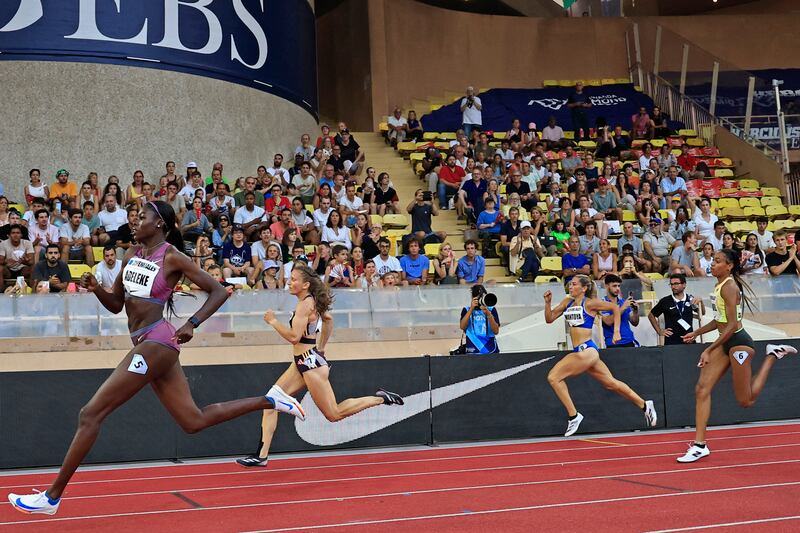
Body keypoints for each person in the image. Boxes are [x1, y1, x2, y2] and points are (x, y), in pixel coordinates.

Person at [7, 201, 300, 515]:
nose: (135, 220)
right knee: (193, 421)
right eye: (134, 215)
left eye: (142, 217)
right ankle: (270, 400)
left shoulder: (173, 256)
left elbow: (217, 290)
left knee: (90, 414)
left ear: (159, 223)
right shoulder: (131, 254)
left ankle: (51, 497)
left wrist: (192, 324)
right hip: (149, 343)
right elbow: (117, 304)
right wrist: (96, 289)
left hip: (156, 341)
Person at [236, 264, 404, 467]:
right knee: (270, 402)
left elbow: (293, 336)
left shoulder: (305, 305)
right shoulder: (310, 302)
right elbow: (329, 320)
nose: (289, 281)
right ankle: (261, 455)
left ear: (306, 284)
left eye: (294, 279)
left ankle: (380, 399)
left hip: (310, 364)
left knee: (334, 414)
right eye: (290, 278)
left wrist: (273, 321)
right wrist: (321, 349)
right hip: (305, 360)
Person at [677, 249, 798, 463]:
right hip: (726, 342)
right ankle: (699, 445)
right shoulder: (719, 285)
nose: (712, 264)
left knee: (745, 401)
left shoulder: (730, 286)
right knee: (701, 389)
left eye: (717, 261)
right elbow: (720, 320)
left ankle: (772, 355)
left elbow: (732, 326)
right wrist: (697, 332)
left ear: (729, 265)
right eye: (713, 260)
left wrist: (708, 348)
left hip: (739, 343)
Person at [544, 275, 658, 437]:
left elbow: (614, 309)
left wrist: (617, 331)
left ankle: (574, 416)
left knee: (554, 377)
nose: (571, 286)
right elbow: (549, 319)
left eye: (574, 284)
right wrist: (547, 303)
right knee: (611, 384)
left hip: (587, 350)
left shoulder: (590, 303)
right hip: (580, 351)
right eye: (570, 284)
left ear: (584, 288)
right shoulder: (567, 302)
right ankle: (645, 405)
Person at [648, 273, 704, 345]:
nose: (673, 287)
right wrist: (659, 331)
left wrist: (701, 302)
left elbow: (702, 312)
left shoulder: (690, 299)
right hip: (671, 342)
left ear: (684, 285)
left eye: (676, 284)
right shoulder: (665, 301)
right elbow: (651, 315)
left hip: (689, 340)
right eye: (671, 284)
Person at [459, 284, 500, 355]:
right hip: (472, 350)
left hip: (490, 350)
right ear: (473, 298)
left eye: (482, 297)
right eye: (478, 298)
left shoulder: (491, 309)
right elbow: (462, 327)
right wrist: (471, 309)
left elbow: (496, 331)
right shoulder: (466, 310)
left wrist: (488, 314)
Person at [601, 275, 639, 348]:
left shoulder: (623, 301)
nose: (617, 288)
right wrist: (623, 307)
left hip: (629, 341)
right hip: (613, 343)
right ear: (606, 286)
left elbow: (634, 322)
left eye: (619, 286)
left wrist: (635, 311)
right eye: (614, 286)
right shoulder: (602, 303)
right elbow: (608, 321)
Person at [0, 224, 34, 290]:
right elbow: (0, 260)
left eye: (18, 233)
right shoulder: (3, 244)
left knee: (33, 267)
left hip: (22, 270)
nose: (15, 235)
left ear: (21, 235)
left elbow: (32, 261)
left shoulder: (27, 243)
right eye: (13, 233)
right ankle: (1, 290)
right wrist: (6, 261)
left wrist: (25, 261)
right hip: (8, 270)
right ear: (9, 235)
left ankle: (33, 291)